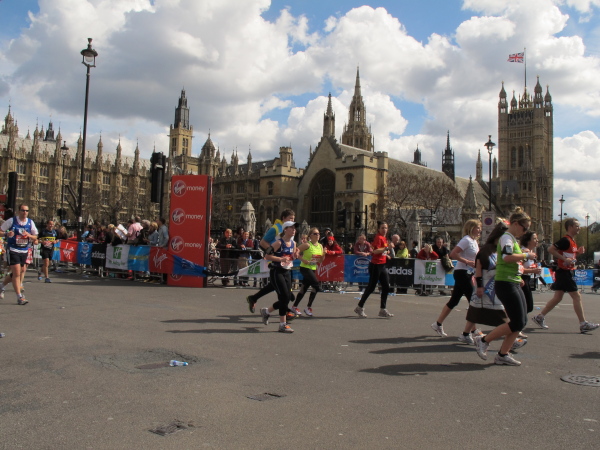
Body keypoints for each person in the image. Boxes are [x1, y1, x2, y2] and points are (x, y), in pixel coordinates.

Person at [473, 208, 536, 365]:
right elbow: (507, 257)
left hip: (513, 280)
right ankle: (483, 340)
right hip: (505, 282)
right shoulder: (506, 238)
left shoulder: (512, 239)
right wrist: (526, 255)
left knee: (521, 321)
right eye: (524, 228)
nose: (525, 232)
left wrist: (519, 271)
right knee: (517, 321)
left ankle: (503, 354)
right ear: (515, 224)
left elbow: (512, 261)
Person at [532, 218, 599, 333]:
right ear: (570, 227)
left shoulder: (572, 241)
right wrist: (564, 259)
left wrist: (577, 252)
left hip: (565, 271)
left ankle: (540, 317)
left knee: (557, 298)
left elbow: (569, 256)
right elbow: (551, 249)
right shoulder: (565, 240)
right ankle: (583, 324)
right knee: (576, 297)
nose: (579, 228)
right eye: (577, 226)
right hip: (564, 272)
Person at [431, 219, 481, 342]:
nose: (480, 230)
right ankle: (471, 331)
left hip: (468, 273)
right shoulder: (466, 240)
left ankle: (438, 323)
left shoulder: (474, 241)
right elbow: (453, 254)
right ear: (471, 228)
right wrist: (467, 261)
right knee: (473, 301)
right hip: (462, 273)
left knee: (454, 300)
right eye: (478, 227)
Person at [246, 209, 295, 313]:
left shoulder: (291, 229)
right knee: (283, 292)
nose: (292, 221)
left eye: (293, 219)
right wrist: (274, 253)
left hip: (286, 263)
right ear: (283, 218)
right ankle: (285, 312)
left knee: (274, 285)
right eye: (290, 218)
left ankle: (254, 298)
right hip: (275, 262)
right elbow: (263, 242)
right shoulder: (276, 228)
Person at [260, 221, 298, 333]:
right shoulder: (278, 243)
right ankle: (282, 324)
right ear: (285, 229)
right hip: (277, 271)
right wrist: (280, 259)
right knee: (284, 296)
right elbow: (267, 256)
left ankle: (267, 311)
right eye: (291, 228)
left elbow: (291, 258)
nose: (294, 230)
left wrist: (295, 256)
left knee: (287, 297)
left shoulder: (294, 243)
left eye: (295, 228)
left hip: (287, 271)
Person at [354, 221, 394, 318]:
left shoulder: (384, 238)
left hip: (382, 265)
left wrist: (386, 254)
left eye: (386, 228)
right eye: (382, 228)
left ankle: (383, 309)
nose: (384, 230)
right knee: (371, 287)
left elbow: (382, 251)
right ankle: (359, 307)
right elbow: (375, 251)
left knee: (386, 286)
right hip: (375, 265)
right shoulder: (378, 238)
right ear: (378, 229)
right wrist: (386, 248)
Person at [0, 204, 38, 305]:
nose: (25, 212)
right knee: (17, 273)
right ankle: (19, 297)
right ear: (19, 211)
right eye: (23, 210)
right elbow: (1, 231)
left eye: (26, 211)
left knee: (19, 272)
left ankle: (1, 286)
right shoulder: (11, 221)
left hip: (24, 250)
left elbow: (35, 236)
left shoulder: (30, 222)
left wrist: (29, 235)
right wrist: (6, 234)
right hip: (13, 249)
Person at [291, 227, 325, 316]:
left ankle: (296, 306)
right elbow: (295, 251)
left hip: (313, 268)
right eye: (315, 234)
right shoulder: (307, 245)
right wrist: (303, 260)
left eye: (318, 233)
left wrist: (324, 253)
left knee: (304, 288)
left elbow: (321, 260)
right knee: (316, 285)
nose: (317, 235)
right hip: (305, 268)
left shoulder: (320, 246)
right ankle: (308, 306)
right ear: (310, 235)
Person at [519, 231, 542, 316]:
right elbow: (518, 268)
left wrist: (534, 269)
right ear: (528, 241)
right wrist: (532, 271)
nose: (537, 240)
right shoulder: (524, 252)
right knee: (527, 306)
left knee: (528, 306)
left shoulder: (531, 252)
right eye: (534, 239)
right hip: (521, 279)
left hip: (528, 279)